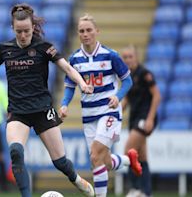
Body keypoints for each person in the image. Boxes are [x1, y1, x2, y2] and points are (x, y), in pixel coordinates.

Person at [0, 3, 95, 197]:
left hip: (42, 110)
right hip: (18, 112)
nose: (23, 36)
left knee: (60, 162)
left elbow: (69, 69)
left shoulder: (44, 47)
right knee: (15, 152)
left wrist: (82, 84)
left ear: (33, 28)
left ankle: (77, 180)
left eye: (27, 31)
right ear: (13, 28)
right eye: (19, 31)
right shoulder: (4, 49)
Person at [59, 14, 142, 197]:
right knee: (101, 162)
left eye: (89, 30)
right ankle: (128, 159)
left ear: (97, 31)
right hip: (89, 116)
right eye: (81, 31)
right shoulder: (74, 60)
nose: (85, 34)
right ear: (78, 34)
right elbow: (70, 86)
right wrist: (64, 104)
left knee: (95, 155)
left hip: (109, 112)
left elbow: (127, 81)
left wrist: (118, 97)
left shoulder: (110, 55)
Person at [121, 45, 161, 197]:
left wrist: (150, 118)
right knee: (141, 156)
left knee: (128, 152)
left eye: (130, 56)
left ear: (136, 57)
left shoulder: (145, 74)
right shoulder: (126, 77)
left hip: (145, 118)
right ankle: (147, 192)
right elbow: (126, 101)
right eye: (125, 57)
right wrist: (115, 112)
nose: (128, 60)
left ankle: (135, 189)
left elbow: (157, 96)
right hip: (134, 118)